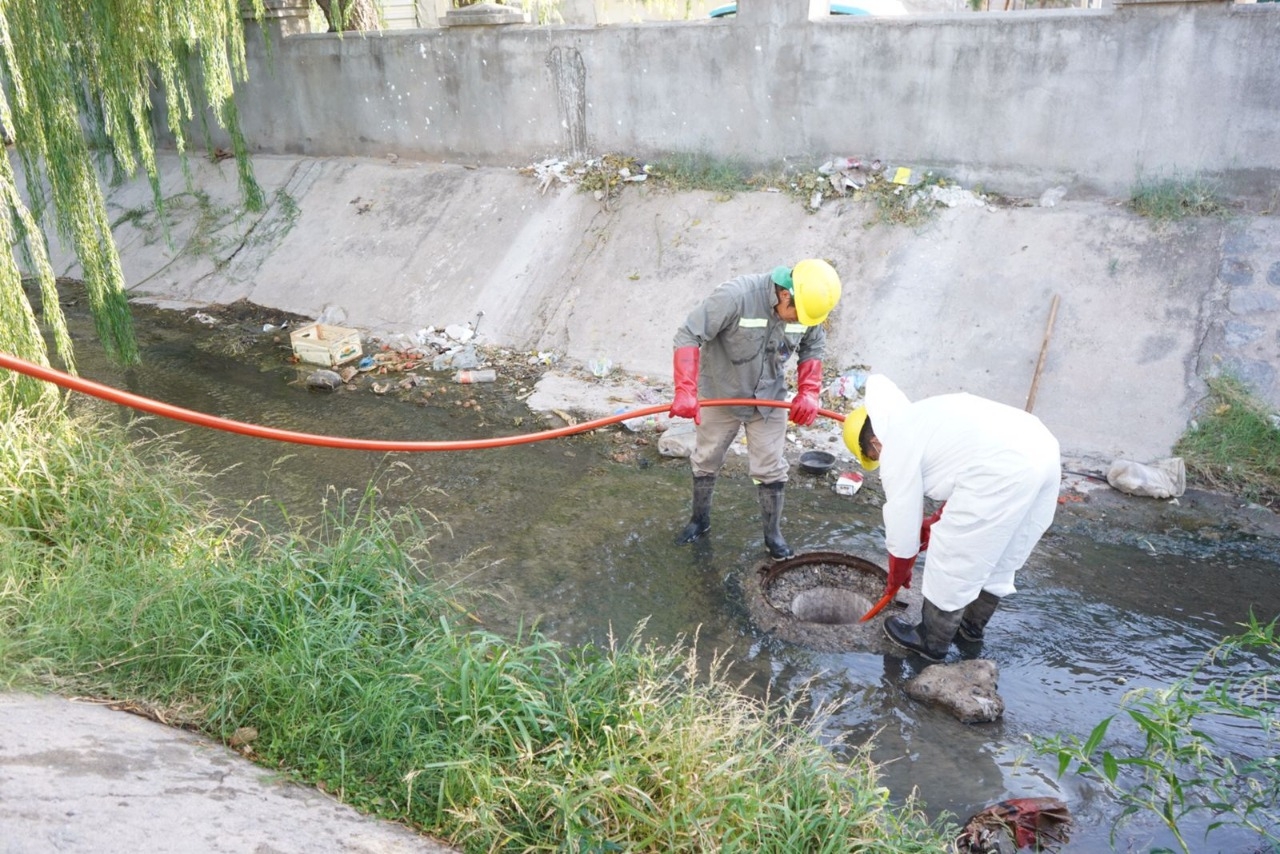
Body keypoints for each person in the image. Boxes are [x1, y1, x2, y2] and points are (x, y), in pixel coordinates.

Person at [844, 374, 1061, 660]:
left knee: (954, 554)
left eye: (873, 456)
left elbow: (902, 520)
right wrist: (932, 523)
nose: (879, 461)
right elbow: (964, 475)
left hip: (1004, 466)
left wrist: (898, 573)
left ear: (875, 443)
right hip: (1041, 448)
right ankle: (970, 629)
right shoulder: (921, 419)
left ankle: (931, 641)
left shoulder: (895, 442)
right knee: (1002, 549)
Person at [670, 259, 842, 560]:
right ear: (785, 294)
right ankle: (699, 520)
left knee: (770, 467)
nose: (798, 321)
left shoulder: (806, 309)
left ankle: (773, 536)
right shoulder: (735, 297)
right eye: (796, 315)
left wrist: (810, 391)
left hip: (768, 398)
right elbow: (688, 335)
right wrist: (685, 389)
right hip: (720, 394)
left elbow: (813, 347)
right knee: (706, 459)